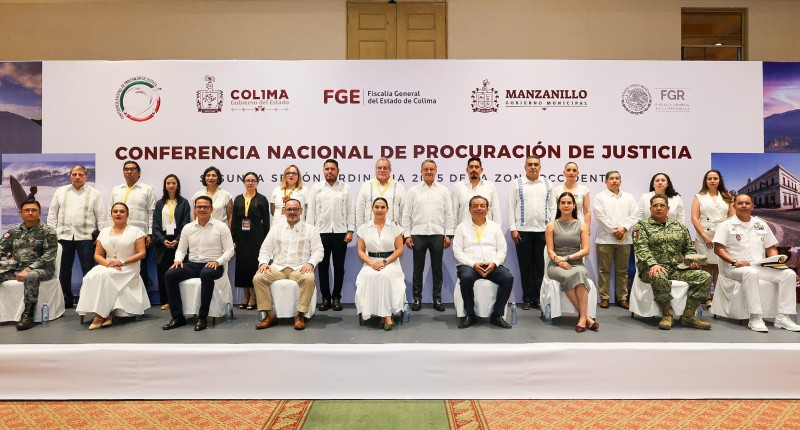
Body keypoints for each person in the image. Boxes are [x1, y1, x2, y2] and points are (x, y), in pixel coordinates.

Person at [713, 193, 800, 333]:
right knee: (750, 273)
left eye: (747, 203)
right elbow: (718, 249)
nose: (744, 206)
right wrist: (734, 261)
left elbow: (771, 247)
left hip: (759, 266)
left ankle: (783, 317)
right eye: (740, 203)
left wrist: (774, 262)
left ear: (753, 206)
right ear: (734, 205)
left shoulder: (761, 224)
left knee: (788, 274)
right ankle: (755, 317)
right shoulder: (725, 225)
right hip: (733, 267)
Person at [633, 194, 711, 330]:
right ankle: (667, 315)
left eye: (662, 205)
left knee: (704, 276)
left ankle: (688, 315)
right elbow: (641, 248)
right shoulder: (642, 226)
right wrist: (653, 264)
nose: (658, 208)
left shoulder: (679, 227)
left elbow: (688, 248)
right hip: (651, 268)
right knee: (658, 275)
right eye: (655, 206)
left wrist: (692, 261)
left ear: (668, 208)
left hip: (676, 269)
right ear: (650, 209)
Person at [162, 195, 235, 332]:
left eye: (205, 207)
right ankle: (177, 317)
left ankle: (203, 317)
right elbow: (181, 250)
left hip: (213, 264)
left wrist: (218, 261)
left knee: (206, 274)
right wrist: (178, 260)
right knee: (170, 275)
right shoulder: (188, 228)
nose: (202, 209)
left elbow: (230, 250)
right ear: (195, 209)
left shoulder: (221, 227)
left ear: (211, 209)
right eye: (199, 207)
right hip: (193, 264)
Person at [252, 199, 323, 331]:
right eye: (289, 209)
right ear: (284, 211)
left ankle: (300, 315)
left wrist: (310, 263)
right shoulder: (276, 229)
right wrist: (263, 263)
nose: (292, 212)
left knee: (308, 278)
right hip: (278, 267)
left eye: (295, 209)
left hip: (300, 267)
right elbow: (265, 248)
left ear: (301, 211)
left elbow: (318, 251)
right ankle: (269, 315)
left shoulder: (311, 230)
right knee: (258, 278)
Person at [76, 202, 149, 330]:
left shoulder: (136, 231)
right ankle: (108, 313)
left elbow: (142, 253)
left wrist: (122, 262)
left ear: (127, 215)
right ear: (111, 214)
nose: (118, 214)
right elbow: (97, 255)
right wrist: (109, 264)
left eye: (122, 211)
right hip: (108, 264)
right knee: (90, 276)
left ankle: (99, 315)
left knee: (106, 276)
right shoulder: (104, 232)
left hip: (128, 266)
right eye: (115, 211)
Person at [47, 164, 105, 308]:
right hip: (63, 236)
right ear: (70, 176)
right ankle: (66, 299)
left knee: (89, 269)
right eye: (74, 174)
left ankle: (88, 299)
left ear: (86, 176)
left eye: (80, 174)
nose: (77, 177)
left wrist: (102, 238)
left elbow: (101, 217)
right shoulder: (60, 191)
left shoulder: (94, 193)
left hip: (86, 237)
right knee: (64, 269)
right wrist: (52, 235)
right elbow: (52, 215)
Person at [453, 196, 513, 329]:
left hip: (491, 264)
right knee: (466, 277)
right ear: (469, 209)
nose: (479, 209)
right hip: (470, 265)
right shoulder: (461, 227)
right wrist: (472, 264)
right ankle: (470, 315)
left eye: (482, 206)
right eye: (475, 206)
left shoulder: (495, 227)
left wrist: (494, 263)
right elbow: (457, 251)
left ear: (487, 209)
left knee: (507, 278)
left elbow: (502, 249)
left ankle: (497, 315)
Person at [402, 159, 455, 312]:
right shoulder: (413, 191)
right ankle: (417, 299)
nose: (429, 172)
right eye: (426, 169)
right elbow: (406, 215)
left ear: (436, 171)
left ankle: (437, 299)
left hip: (438, 234)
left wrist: (449, 234)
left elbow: (449, 214)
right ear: (421, 172)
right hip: (418, 234)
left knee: (437, 269)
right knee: (417, 269)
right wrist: (407, 235)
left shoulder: (443, 190)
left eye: (432, 169)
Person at [0, 199, 57, 331]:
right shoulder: (14, 231)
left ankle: (28, 315)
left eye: (34, 210)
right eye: (27, 210)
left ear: (39, 213)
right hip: (17, 268)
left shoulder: (48, 231)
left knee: (31, 276)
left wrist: (29, 269)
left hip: (42, 269)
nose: (30, 213)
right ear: (21, 213)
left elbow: (49, 256)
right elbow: (2, 248)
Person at [306, 159, 355, 312]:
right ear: (323, 171)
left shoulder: (346, 188)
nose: (329, 171)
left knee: (339, 267)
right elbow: (311, 211)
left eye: (332, 169)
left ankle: (336, 298)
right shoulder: (316, 188)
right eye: (327, 169)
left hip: (340, 232)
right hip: (320, 232)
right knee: (323, 267)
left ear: (338, 171)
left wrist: (350, 230)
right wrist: (310, 232)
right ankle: (325, 298)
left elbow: (350, 211)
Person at [507, 155, 555, 310]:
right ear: (525, 167)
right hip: (523, 231)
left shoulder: (548, 183)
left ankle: (538, 299)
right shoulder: (517, 183)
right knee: (526, 267)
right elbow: (511, 207)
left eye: (536, 164)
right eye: (530, 164)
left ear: (540, 167)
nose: (533, 167)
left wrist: (551, 227)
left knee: (541, 267)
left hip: (543, 231)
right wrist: (513, 228)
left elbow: (553, 207)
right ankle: (527, 298)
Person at [545, 192, 597, 332]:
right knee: (568, 275)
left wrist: (567, 258)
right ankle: (586, 318)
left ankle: (583, 317)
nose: (566, 205)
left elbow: (586, 250)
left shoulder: (582, 226)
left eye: (569, 203)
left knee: (579, 273)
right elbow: (550, 250)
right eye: (563, 203)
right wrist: (559, 261)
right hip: (556, 265)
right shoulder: (551, 226)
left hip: (576, 263)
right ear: (558, 205)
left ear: (574, 205)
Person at [354, 197, 405, 331]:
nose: (379, 210)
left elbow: (399, 249)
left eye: (383, 207)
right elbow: (360, 250)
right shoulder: (364, 228)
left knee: (384, 275)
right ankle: (384, 315)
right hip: (370, 263)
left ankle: (386, 315)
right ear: (372, 208)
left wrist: (385, 262)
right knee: (368, 275)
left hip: (391, 262)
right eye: (377, 207)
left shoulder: (395, 227)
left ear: (387, 209)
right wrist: (371, 263)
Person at [593, 171, 638, 309]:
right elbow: (600, 216)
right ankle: (604, 298)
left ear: (620, 181)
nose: (614, 181)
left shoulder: (629, 197)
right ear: (606, 181)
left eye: (617, 178)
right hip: (605, 239)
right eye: (611, 178)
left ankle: (622, 298)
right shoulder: (600, 197)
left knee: (623, 271)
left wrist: (624, 228)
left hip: (625, 239)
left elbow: (635, 215)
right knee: (604, 270)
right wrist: (614, 230)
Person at [691, 169, 734, 309]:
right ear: (706, 181)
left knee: (719, 267)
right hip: (704, 235)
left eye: (715, 178)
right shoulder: (699, 196)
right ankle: (707, 298)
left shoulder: (728, 196)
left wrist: (723, 235)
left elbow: (732, 217)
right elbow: (694, 218)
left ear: (719, 180)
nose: (712, 181)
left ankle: (719, 298)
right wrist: (704, 236)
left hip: (722, 235)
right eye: (709, 178)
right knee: (706, 267)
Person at [110, 161, 156, 287]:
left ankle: (141, 294)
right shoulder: (116, 189)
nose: (129, 172)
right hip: (119, 234)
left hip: (140, 234)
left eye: (132, 169)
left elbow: (151, 213)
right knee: (120, 264)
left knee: (141, 266)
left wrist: (150, 233)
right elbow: (111, 211)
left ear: (139, 172)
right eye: (126, 169)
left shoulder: (147, 189)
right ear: (123, 173)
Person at [231, 172, 270, 310]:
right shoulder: (238, 199)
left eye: (253, 180)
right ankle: (245, 295)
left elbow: (266, 222)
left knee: (254, 265)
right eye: (247, 180)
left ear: (257, 183)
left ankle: (253, 296)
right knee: (242, 266)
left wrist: (266, 240)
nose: (250, 183)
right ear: (244, 182)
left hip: (257, 237)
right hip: (241, 238)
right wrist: (233, 238)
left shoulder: (262, 199)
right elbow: (234, 221)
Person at [152, 174, 191, 311]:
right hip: (162, 242)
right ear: (165, 185)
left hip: (179, 240)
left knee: (178, 272)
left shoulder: (184, 203)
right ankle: (165, 301)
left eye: (173, 183)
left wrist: (178, 239)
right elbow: (155, 225)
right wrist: (162, 240)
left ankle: (179, 300)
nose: (171, 185)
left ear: (177, 185)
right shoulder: (159, 203)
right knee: (163, 273)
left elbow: (186, 223)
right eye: (168, 183)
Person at [355, 157, 405, 229]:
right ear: (375, 169)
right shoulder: (366, 186)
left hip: (393, 231)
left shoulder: (398, 186)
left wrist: (404, 232)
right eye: (379, 168)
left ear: (390, 170)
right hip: (369, 230)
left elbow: (404, 212)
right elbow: (360, 210)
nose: (382, 170)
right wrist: (360, 230)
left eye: (385, 168)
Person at [452, 157, 501, 226]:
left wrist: (497, 229)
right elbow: (453, 212)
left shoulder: (490, 186)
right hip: (464, 230)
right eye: (471, 167)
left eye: (476, 167)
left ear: (481, 170)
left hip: (486, 230)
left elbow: (495, 211)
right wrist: (453, 231)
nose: (474, 169)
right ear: (467, 170)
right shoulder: (458, 186)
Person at [552, 162, 591, 226]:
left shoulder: (584, 190)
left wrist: (587, 227)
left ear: (577, 173)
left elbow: (587, 212)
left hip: (579, 224)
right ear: (564, 172)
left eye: (574, 170)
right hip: (560, 224)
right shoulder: (556, 190)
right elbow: (554, 210)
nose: (571, 172)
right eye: (568, 170)